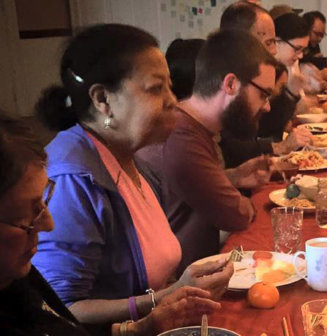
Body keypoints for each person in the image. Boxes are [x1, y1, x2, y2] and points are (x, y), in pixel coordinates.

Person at [32, 24, 233, 333]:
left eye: (170, 86)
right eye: (156, 89)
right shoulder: (73, 179)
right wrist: (164, 298)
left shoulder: (129, 157)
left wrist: (182, 289)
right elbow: (61, 308)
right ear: (102, 100)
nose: (172, 100)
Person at [0, 115, 221, 336]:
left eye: (43, 201)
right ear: (103, 99)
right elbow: (71, 304)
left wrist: (139, 329)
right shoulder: (77, 176)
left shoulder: (16, 278)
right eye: (26, 215)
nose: (48, 224)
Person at [138, 29, 276, 274]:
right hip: (178, 288)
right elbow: (236, 215)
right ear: (231, 84)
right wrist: (241, 199)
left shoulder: (193, 127)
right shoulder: (182, 138)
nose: (267, 107)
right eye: (263, 94)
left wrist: (232, 177)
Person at [219, 3, 313, 166]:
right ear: (242, 40)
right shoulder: (225, 79)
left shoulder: (249, 73)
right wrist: (278, 146)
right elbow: (229, 147)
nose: (274, 50)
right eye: (269, 42)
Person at [255, 13, 316, 143]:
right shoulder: (262, 72)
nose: (300, 56)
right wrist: (290, 94)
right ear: (277, 41)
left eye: (303, 51)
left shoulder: (284, 68)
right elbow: (264, 128)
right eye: (297, 49)